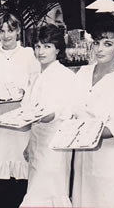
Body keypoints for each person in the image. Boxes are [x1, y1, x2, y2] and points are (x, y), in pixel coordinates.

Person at [0, 13, 40, 208]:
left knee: (20, 169)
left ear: (18, 31)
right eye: (2, 30)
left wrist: (24, 92)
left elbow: (36, 84)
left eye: (10, 30)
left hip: (21, 120)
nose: (6, 35)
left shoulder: (29, 54)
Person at [72, 20, 114, 208]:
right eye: (96, 42)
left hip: (111, 160)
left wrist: (80, 131)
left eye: (107, 44)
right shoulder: (82, 73)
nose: (99, 49)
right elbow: (72, 109)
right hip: (83, 159)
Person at [20, 24, 75, 207]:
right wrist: (29, 144)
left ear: (58, 49)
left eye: (47, 46)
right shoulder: (38, 76)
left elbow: (56, 113)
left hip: (55, 146)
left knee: (48, 195)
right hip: (38, 143)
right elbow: (32, 111)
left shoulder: (64, 75)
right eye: (37, 46)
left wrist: (32, 116)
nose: (41, 51)